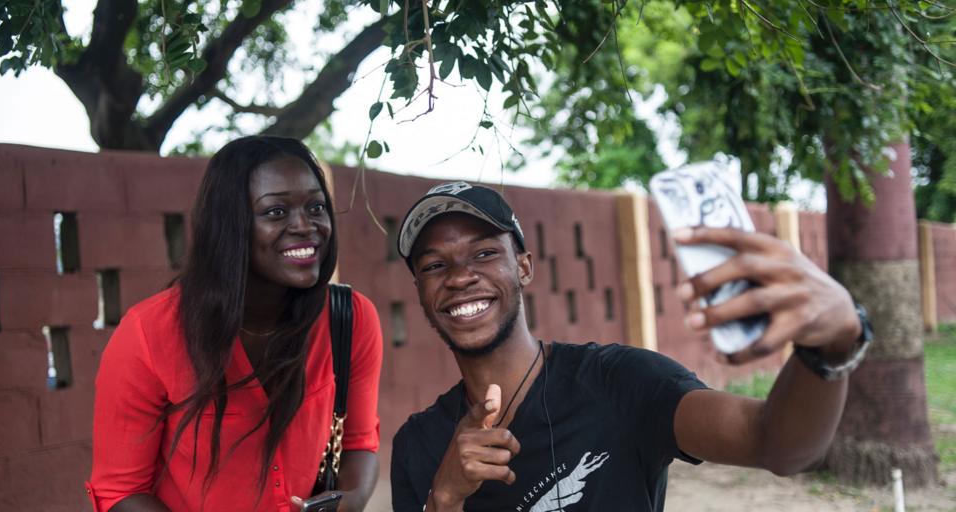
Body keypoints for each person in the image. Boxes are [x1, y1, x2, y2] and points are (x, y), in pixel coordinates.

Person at [390, 182, 870, 512]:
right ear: (419, 291)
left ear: (525, 267)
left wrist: (830, 345)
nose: (459, 277)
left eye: (484, 253)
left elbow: (777, 444)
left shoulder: (619, 381)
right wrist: (446, 499)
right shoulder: (419, 445)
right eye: (434, 266)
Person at [88, 136, 382, 512]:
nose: (305, 225)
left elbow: (358, 443)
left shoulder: (350, 319)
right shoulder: (148, 334)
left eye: (316, 207)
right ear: (229, 224)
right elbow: (120, 490)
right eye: (276, 212)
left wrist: (349, 501)